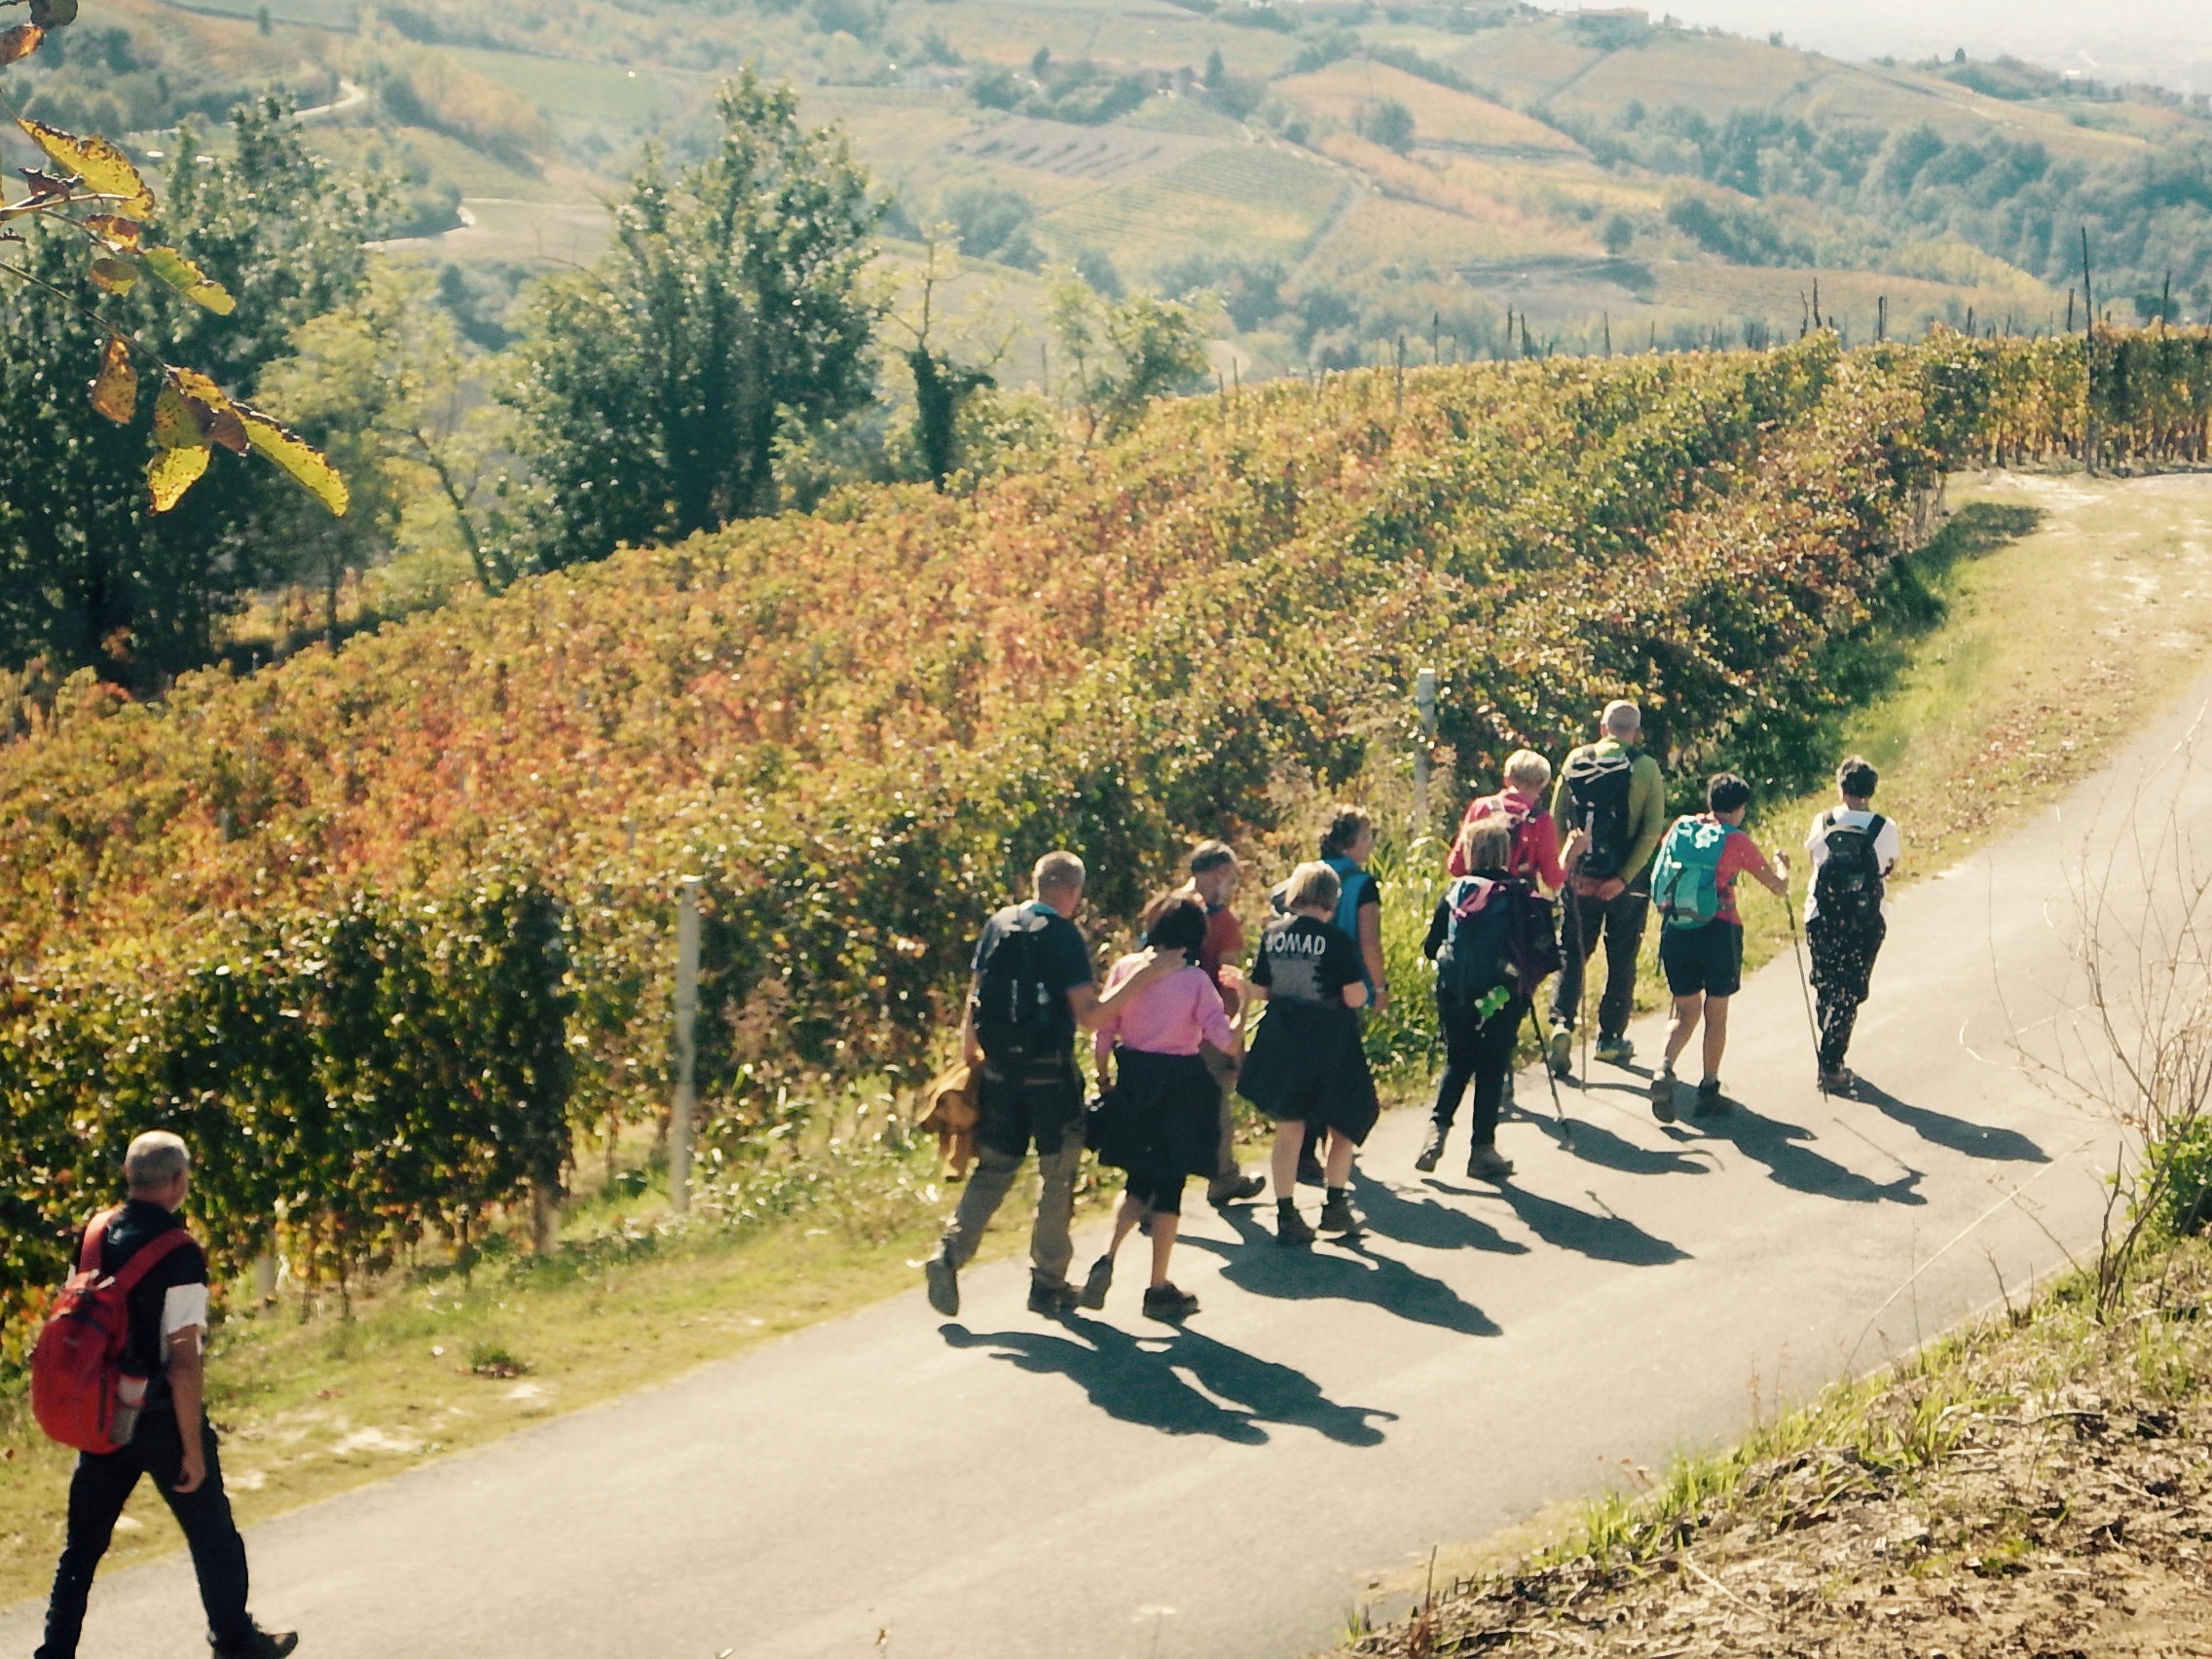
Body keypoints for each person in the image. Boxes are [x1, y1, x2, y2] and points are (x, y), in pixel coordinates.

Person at [37, 1131, 298, 1659]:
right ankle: (235, 1640)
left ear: (130, 1178)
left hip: (104, 1413)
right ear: (178, 1182)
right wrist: (193, 1450)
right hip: (157, 1415)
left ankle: (54, 1651)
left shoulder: (93, 1234)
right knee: (211, 1532)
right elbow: (184, 1358)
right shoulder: (180, 1252)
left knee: (81, 1548)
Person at [924, 851, 1175, 1318]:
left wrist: (972, 1060)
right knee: (1057, 1178)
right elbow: (1090, 1017)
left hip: (1000, 1073)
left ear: (1035, 883)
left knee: (994, 1170)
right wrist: (1144, 977)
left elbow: (973, 1000)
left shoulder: (998, 924)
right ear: (1075, 893)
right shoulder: (1064, 937)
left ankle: (949, 1254)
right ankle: (1048, 1282)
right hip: (1050, 1076)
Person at [1082, 894, 1243, 1321]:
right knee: (1169, 1185)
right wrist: (1244, 1007)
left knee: (1138, 1180)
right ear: (1194, 937)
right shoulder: (1194, 982)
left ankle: (1107, 1255)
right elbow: (1225, 1040)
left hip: (1134, 1079)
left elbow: (1103, 1035)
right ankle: (1157, 1286)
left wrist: (1103, 1076)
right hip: (1181, 1086)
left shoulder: (1124, 969)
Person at [1239, 862, 1380, 1244]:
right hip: (1330, 1043)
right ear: (1332, 898)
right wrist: (1369, 993)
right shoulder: (1334, 940)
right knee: (1344, 1121)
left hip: (1283, 1039)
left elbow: (1264, 988)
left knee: (1288, 1130)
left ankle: (1286, 1214)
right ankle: (1335, 1205)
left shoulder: (1273, 935)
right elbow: (1353, 996)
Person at [1648, 773, 1790, 1120]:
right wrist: (1783, 868)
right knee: (1716, 1014)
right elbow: (1777, 887)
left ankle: (1664, 1068)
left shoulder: (1681, 826)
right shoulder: (1736, 840)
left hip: (1677, 930)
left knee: (1685, 1013)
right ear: (1740, 809)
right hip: (1720, 931)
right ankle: (1709, 1088)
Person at [1547, 700, 1667, 1077]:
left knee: (1572, 950)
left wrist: (1568, 869)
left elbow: (1556, 820)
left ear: (1602, 728)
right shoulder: (1645, 767)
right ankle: (1610, 1039)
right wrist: (1624, 877)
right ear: (1635, 731)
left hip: (1580, 875)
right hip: (1624, 883)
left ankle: (1561, 1023)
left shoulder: (1573, 761)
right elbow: (1651, 830)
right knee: (1622, 956)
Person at [1418, 819, 1530, 1181]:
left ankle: (1436, 1132)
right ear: (1506, 852)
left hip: (1455, 992)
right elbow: (1531, 951)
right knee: (1491, 1066)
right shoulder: (1516, 893)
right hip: (1498, 995)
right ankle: (1482, 1150)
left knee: (1458, 1059)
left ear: (1469, 852)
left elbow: (1431, 947)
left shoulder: (1454, 893)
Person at [1803, 756, 1901, 1094]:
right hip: (1865, 920)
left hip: (1821, 916)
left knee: (1826, 984)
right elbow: (1888, 867)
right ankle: (1831, 1063)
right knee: (1850, 990)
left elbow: (1814, 860)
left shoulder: (1823, 820)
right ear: (1872, 790)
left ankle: (1829, 1032)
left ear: (1841, 787)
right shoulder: (1884, 826)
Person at [1178, 840, 1266, 1206]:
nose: (1233, 884)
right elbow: (1228, 980)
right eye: (1230, 876)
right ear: (1217, 874)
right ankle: (1224, 1177)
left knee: (1170, 1105)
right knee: (1215, 1105)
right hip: (1206, 1027)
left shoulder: (1166, 910)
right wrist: (1236, 1039)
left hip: (1161, 1026)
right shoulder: (1222, 921)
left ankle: (1149, 1195)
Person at [1446, 750, 1581, 891]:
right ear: (1541, 784)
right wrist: (1570, 854)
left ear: (1506, 779)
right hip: (1516, 905)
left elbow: (1455, 866)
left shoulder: (1481, 807)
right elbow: (1553, 880)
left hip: (1476, 902)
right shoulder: (1541, 820)